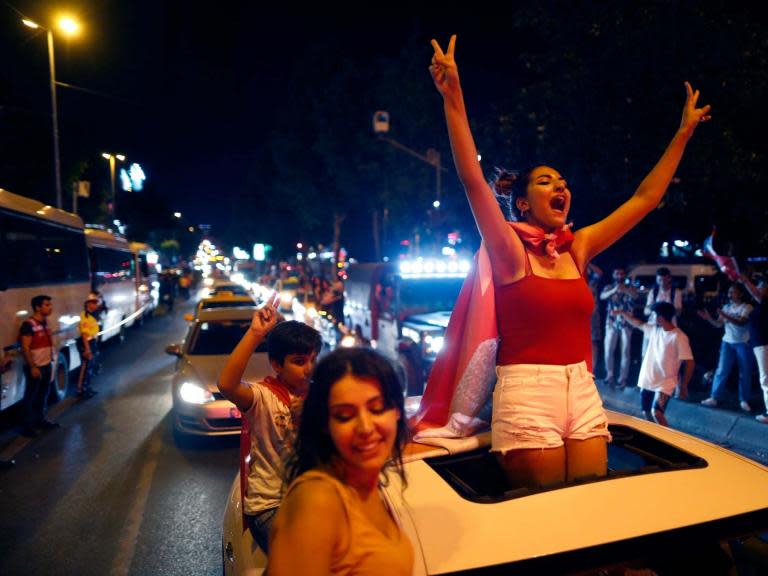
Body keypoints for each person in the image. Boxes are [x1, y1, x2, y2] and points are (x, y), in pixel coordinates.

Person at [427, 34, 710, 489]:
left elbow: (645, 198)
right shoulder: (509, 251)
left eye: (562, 181)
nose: (560, 186)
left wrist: (682, 134)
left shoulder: (577, 247)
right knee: (545, 517)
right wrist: (453, 96)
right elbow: (471, 180)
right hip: (526, 392)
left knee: (591, 511)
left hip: (582, 388)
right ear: (521, 203)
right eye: (545, 181)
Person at [268, 347, 413, 575]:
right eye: (344, 416)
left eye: (377, 409)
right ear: (326, 424)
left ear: (396, 410)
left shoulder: (369, 485)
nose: (365, 428)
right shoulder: (318, 499)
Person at [217, 297, 322, 554]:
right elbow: (227, 385)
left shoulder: (323, 396)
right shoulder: (264, 397)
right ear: (277, 365)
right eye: (299, 361)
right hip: (271, 506)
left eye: (313, 359)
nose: (309, 368)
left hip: (312, 499)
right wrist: (256, 334)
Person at [613, 302, 694, 427]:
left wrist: (684, 385)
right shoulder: (654, 330)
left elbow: (689, 362)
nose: (651, 317)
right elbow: (638, 324)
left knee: (657, 413)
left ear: (660, 317)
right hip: (647, 380)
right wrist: (623, 313)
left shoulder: (679, 337)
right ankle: (656, 439)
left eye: (653, 315)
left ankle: (669, 441)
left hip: (665, 383)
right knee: (646, 413)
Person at [699, 284, 754, 411]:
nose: (730, 295)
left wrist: (725, 314)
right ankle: (714, 397)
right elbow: (718, 324)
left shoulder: (747, 307)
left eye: (733, 292)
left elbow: (741, 322)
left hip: (743, 342)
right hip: (727, 342)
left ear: (740, 294)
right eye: (729, 292)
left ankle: (744, 400)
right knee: (721, 370)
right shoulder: (726, 307)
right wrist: (708, 318)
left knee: (744, 372)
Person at [18, 294, 60, 437]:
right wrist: (33, 367)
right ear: (37, 307)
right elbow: (25, 347)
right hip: (36, 367)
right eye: (47, 305)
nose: (50, 307)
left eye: (50, 304)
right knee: (30, 397)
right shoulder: (28, 325)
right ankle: (27, 427)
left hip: (46, 364)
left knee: (43, 395)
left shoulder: (45, 322)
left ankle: (40, 420)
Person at [737, 273, 768, 423]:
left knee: (765, 378)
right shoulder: (761, 304)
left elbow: (756, 294)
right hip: (759, 343)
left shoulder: (764, 301)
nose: (758, 288)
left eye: (761, 286)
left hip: (763, 344)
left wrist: (746, 280)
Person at [601, 267, 637, 388]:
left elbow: (635, 296)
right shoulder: (609, 287)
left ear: (624, 275)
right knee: (608, 349)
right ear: (614, 275)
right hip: (611, 321)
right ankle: (609, 374)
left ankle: (623, 378)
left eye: (622, 274)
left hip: (626, 321)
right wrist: (615, 290)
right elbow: (602, 296)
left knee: (625, 350)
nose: (620, 276)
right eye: (617, 273)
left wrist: (625, 290)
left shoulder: (630, 287)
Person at [76, 296, 101, 398]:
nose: (96, 305)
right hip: (86, 343)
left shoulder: (91, 316)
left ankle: (86, 388)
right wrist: (87, 349)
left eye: (96, 302)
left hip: (90, 342)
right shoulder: (85, 317)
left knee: (88, 367)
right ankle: (82, 390)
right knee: (86, 367)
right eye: (94, 303)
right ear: (88, 304)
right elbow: (84, 335)